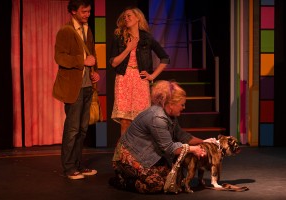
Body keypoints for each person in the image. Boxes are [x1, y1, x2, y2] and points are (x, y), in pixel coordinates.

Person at [109, 80, 217, 193]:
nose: (184, 107)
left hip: (147, 154)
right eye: (182, 104)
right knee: (157, 185)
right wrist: (193, 149)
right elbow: (169, 148)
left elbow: (182, 136)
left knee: (173, 181)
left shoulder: (170, 115)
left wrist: (206, 142)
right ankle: (123, 181)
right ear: (171, 104)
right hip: (131, 155)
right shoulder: (158, 118)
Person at [53, 0, 100, 180]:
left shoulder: (87, 29)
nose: (87, 14)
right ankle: (69, 167)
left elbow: (92, 55)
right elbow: (60, 58)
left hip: (87, 85)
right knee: (72, 129)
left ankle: (79, 164)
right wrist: (83, 61)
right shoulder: (66, 31)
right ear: (73, 11)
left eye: (89, 11)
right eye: (84, 11)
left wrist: (94, 72)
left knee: (82, 129)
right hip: (74, 87)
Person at [109, 7, 170, 135]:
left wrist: (152, 75)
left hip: (140, 80)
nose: (126, 18)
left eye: (129, 16)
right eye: (124, 17)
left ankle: (140, 152)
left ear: (138, 18)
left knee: (141, 119)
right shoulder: (119, 36)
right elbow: (114, 62)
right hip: (123, 79)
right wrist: (128, 48)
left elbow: (165, 58)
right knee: (125, 120)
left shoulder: (146, 38)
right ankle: (124, 153)